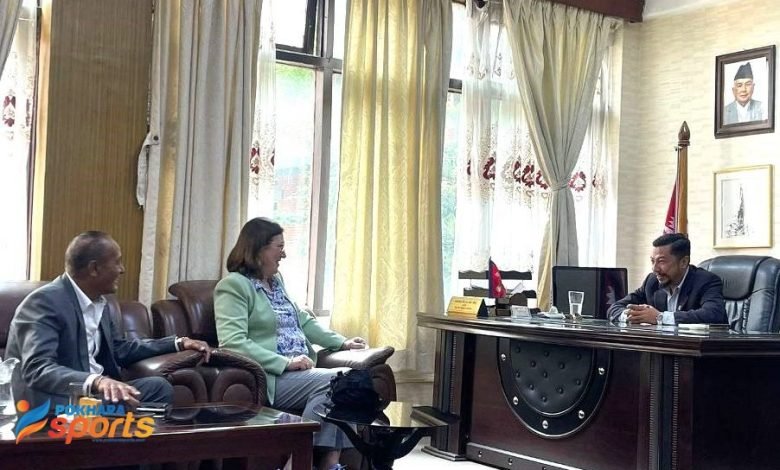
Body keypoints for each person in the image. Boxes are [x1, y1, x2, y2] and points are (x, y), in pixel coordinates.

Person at [214, 217, 366, 470]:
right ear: (259, 249)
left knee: (346, 385)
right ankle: (298, 464)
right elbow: (232, 342)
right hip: (273, 375)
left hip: (303, 372)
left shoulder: (276, 281)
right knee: (340, 381)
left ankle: (329, 465)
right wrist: (285, 362)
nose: (284, 254)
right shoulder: (233, 286)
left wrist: (342, 342)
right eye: (279, 247)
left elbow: (302, 320)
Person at [6, 231, 211, 409]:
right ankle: (116, 439)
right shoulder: (43, 303)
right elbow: (37, 369)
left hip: (93, 397)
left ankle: (128, 441)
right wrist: (97, 381)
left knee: (157, 388)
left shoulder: (99, 302)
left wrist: (178, 343)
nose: (122, 269)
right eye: (117, 262)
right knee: (115, 412)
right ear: (94, 269)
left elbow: (119, 349)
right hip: (57, 400)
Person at [606, 233, 727, 325]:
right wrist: (632, 316)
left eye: (661, 261)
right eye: (652, 261)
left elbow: (713, 314)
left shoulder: (706, 281)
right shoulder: (652, 281)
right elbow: (614, 308)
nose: (654, 268)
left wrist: (660, 317)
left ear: (684, 262)